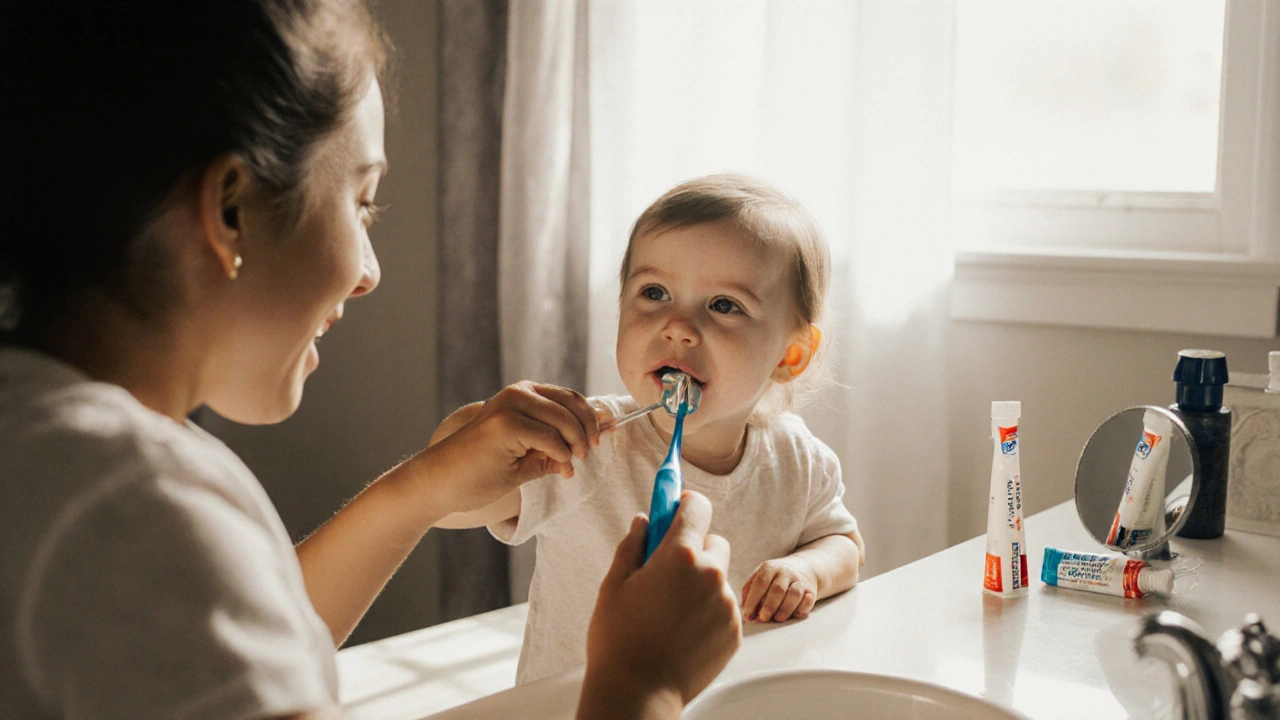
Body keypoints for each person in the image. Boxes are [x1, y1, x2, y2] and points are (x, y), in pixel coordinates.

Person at [0, 2, 740, 719]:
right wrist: (644, 681)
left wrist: (422, 489)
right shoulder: (136, 503)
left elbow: (222, 640)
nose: (368, 271)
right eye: (362, 202)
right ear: (230, 209)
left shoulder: (55, 448)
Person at [435, 174, 867, 685]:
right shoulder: (587, 443)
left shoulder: (798, 459)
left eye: (724, 305)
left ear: (790, 354)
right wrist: (475, 435)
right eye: (655, 292)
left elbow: (844, 544)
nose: (678, 325)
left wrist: (807, 571)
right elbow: (447, 504)